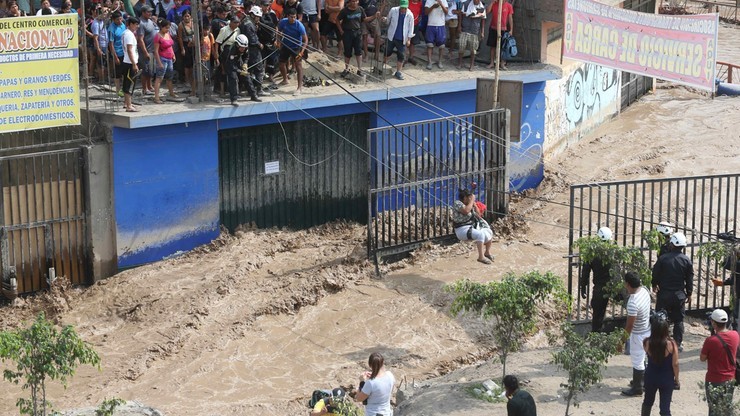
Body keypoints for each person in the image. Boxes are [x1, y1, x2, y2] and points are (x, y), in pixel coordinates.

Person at [652, 232, 693, 352]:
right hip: (679, 295)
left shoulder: (663, 259)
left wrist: (654, 285)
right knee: (679, 320)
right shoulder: (686, 261)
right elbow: (689, 279)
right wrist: (689, 293)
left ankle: (660, 342)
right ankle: (677, 344)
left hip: (664, 293)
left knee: (660, 318)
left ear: (672, 244)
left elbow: (655, 274)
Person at [700, 309, 739, 416]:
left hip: (714, 379)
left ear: (713, 323)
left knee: (714, 410)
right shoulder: (735, 335)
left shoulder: (711, 341)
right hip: (730, 379)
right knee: (726, 408)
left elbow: (702, 358)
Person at [641, 310, 679, 416]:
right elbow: (675, 364)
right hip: (666, 378)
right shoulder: (671, 344)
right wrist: (677, 379)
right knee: (665, 409)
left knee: (647, 402)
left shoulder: (646, 342)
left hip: (651, 376)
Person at [621, 271, 652, 397]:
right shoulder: (644, 290)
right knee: (644, 357)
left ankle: (637, 388)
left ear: (628, 284)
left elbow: (629, 326)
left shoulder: (633, 302)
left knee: (637, 360)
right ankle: (642, 381)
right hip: (647, 329)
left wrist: (621, 341)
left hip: (638, 334)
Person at [579, 226, 614, 333]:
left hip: (599, 288)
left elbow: (585, 271)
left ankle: (596, 335)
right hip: (613, 287)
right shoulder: (613, 252)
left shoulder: (592, 253)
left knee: (597, 314)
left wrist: (583, 286)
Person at [452, 188, 493, 264]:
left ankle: (487, 252)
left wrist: (474, 205)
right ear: (464, 198)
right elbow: (466, 211)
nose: (471, 199)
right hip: (462, 229)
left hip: (471, 227)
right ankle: (481, 257)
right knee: (480, 234)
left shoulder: (470, 205)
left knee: (488, 231)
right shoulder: (457, 203)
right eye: (469, 198)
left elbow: (478, 215)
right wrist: (471, 202)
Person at [277, 8, 308, 95]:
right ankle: (285, 80)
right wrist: (278, 41)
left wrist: (302, 51)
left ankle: (299, 88)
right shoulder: (283, 22)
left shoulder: (299, 25)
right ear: (287, 16)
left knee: (298, 65)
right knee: (281, 63)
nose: (293, 19)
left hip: (296, 46)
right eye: (291, 17)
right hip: (286, 45)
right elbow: (278, 31)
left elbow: (306, 40)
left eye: (295, 17)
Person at [239, 6, 268, 97]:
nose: (258, 19)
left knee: (250, 70)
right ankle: (259, 89)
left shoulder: (246, 21)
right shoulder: (249, 24)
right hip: (252, 49)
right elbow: (252, 39)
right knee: (259, 69)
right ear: (252, 15)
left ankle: (250, 89)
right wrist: (259, 44)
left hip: (247, 49)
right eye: (257, 17)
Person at [224, 34, 261, 105]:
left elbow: (246, 56)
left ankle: (253, 95)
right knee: (233, 78)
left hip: (238, 61)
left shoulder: (245, 48)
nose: (243, 49)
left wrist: (245, 64)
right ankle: (234, 99)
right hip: (229, 63)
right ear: (237, 45)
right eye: (241, 47)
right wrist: (240, 71)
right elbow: (231, 65)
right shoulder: (230, 50)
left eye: (244, 47)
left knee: (247, 77)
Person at [383, 0, 414, 80]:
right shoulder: (393, 10)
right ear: (400, 6)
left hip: (402, 38)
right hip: (392, 36)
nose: (403, 9)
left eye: (405, 8)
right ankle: (383, 66)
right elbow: (388, 20)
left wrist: (409, 39)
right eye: (402, 8)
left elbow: (411, 28)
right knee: (387, 52)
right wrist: (385, 19)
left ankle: (398, 72)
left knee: (401, 55)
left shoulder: (410, 15)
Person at [711, 246, 740, 329]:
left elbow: (726, 264)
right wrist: (722, 282)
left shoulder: (738, 265)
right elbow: (734, 278)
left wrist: (733, 251)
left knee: (737, 319)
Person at [337, 0, 366, 77]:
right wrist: (341, 30)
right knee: (347, 52)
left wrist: (374, 16)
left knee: (358, 51)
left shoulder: (360, 9)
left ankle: (359, 69)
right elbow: (337, 20)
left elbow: (365, 19)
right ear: (350, 2)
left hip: (357, 32)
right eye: (352, 1)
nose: (354, 3)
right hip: (347, 33)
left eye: (356, 1)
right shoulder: (344, 11)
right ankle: (346, 69)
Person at [153, 18, 177, 103]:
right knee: (159, 78)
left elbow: (170, 45)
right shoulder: (157, 36)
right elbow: (155, 51)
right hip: (162, 58)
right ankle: (156, 97)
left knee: (169, 77)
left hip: (169, 58)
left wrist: (173, 54)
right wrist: (159, 62)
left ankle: (171, 92)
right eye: (166, 28)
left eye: (168, 28)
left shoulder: (168, 34)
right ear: (161, 27)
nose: (167, 29)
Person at [456, 0, 484, 70]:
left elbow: (483, 20)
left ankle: (471, 65)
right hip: (465, 28)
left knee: (473, 49)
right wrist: (459, 26)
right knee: (461, 46)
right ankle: (460, 63)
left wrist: (482, 32)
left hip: (474, 30)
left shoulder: (482, 7)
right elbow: (461, 15)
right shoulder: (466, 4)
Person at [136, 5, 158, 96]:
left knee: (151, 70)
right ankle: (144, 89)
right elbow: (140, 39)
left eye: (150, 12)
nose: (150, 13)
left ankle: (150, 86)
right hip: (146, 51)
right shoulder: (141, 23)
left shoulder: (150, 21)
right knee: (145, 70)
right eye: (148, 12)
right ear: (143, 12)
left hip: (153, 50)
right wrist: (145, 52)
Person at [121, 16, 141, 112]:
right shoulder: (128, 34)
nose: (137, 26)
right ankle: (129, 106)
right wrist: (134, 64)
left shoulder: (127, 33)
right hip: (129, 62)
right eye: (136, 24)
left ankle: (127, 103)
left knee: (128, 82)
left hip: (129, 61)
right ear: (131, 24)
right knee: (129, 84)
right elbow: (129, 50)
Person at [485, 0, 512, 70]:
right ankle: (491, 63)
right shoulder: (494, 4)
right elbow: (487, 11)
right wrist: (492, 2)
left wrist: (511, 29)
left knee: (503, 47)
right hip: (493, 28)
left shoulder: (508, 6)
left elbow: (510, 18)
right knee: (492, 46)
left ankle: (502, 63)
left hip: (503, 29)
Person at [258, 0, 280, 84]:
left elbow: (276, 27)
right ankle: (260, 76)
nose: (266, 7)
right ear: (261, 5)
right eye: (265, 5)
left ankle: (271, 76)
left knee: (272, 59)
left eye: (268, 5)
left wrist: (277, 39)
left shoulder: (272, 14)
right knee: (261, 58)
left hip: (271, 39)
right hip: (261, 40)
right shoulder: (258, 14)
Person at [423, 0, 447, 70]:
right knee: (429, 44)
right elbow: (426, 12)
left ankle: (440, 61)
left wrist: (441, 4)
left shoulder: (444, 1)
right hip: (431, 25)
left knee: (441, 45)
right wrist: (433, 6)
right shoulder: (429, 1)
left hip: (441, 25)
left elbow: (446, 12)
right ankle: (429, 62)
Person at [108, 10, 127, 96]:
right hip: (117, 52)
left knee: (125, 72)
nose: (119, 21)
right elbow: (111, 44)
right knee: (117, 73)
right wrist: (115, 56)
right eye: (117, 20)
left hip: (125, 52)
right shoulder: (111, 29)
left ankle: (124, 89)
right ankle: (117, 90)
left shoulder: (123, 25)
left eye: (120, 19)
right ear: (113, 20)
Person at [178, 10, 196, 96]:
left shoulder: (193, 23)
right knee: (187, 64)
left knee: (193, 63)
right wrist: (182, 49)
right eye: (185, 16)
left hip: (193, 45)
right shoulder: (181, 25)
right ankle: (187, 80)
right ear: (183, 17)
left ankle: (193, 79)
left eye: (188, 16)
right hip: (186, 45)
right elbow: (180, 38)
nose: (187, 18)